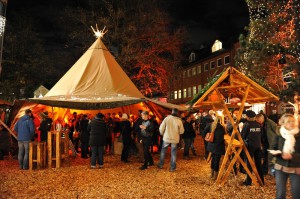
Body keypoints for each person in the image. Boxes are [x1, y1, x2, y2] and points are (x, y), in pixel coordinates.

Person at [270, 113, 300, 199]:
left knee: (297, 193)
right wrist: (272, 164)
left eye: (293, 121)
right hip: (280, 167)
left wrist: (292, 156)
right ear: (283, 123)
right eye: (288, 122)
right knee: (280, 194)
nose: (291, 123)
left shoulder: (298, 134)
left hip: (296, 168)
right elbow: (272, 148)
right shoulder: (279, 134)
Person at [241, 110, 264, 186]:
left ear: (247, 117)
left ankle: (248, 182)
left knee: (249, 164)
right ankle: (261, 181)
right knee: (258, 164)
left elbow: (242, 136)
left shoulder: (246, 124)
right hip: (258, 146)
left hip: (249, 146)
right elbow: (261, 135)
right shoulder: (258, 124)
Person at [205, 116, 225, 180]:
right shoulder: (221, 127)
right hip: (218, 146)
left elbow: (205, 131)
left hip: (211, 145)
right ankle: (215, 176)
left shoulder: (211, 125)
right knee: (217, 160)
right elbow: (220, 138)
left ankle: (212, 174)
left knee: (213, 159)